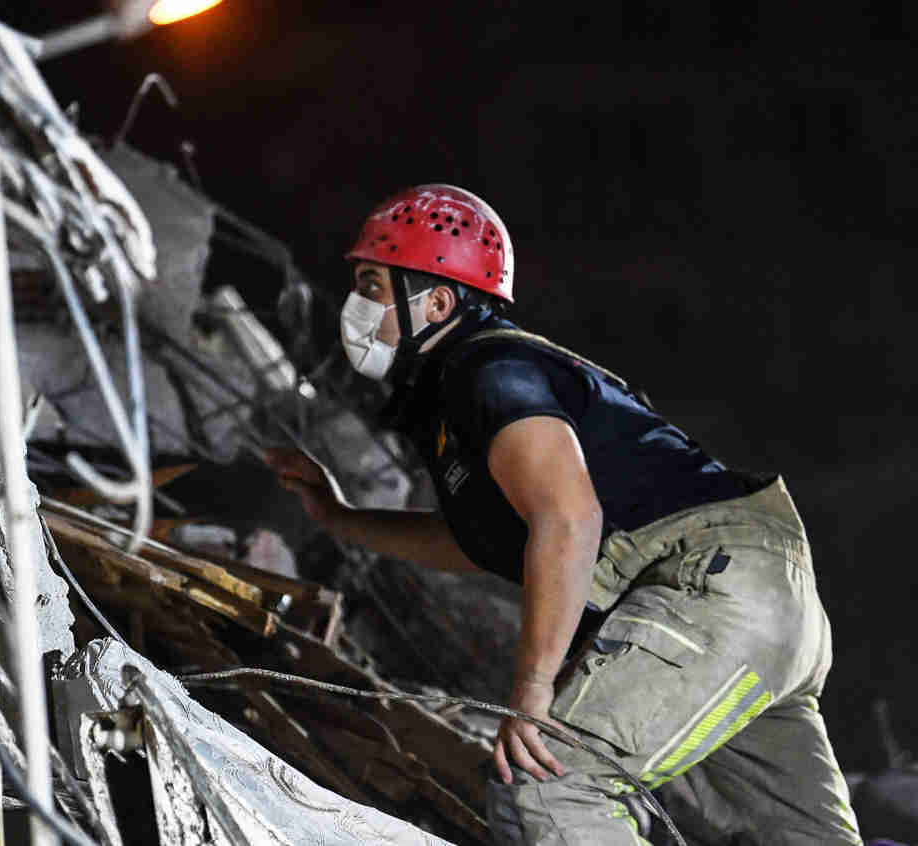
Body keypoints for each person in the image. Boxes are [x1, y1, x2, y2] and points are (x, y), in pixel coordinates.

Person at [266, 184, 862, 845]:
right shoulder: (471, 390)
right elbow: (480, 542)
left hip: (703, 586)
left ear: (436, 301)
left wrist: (531, 690)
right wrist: (340, 516)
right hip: (762, 602)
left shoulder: (486, 370)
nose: (357, 305)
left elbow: (567, 519)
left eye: (374, 283)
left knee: (549, 791)